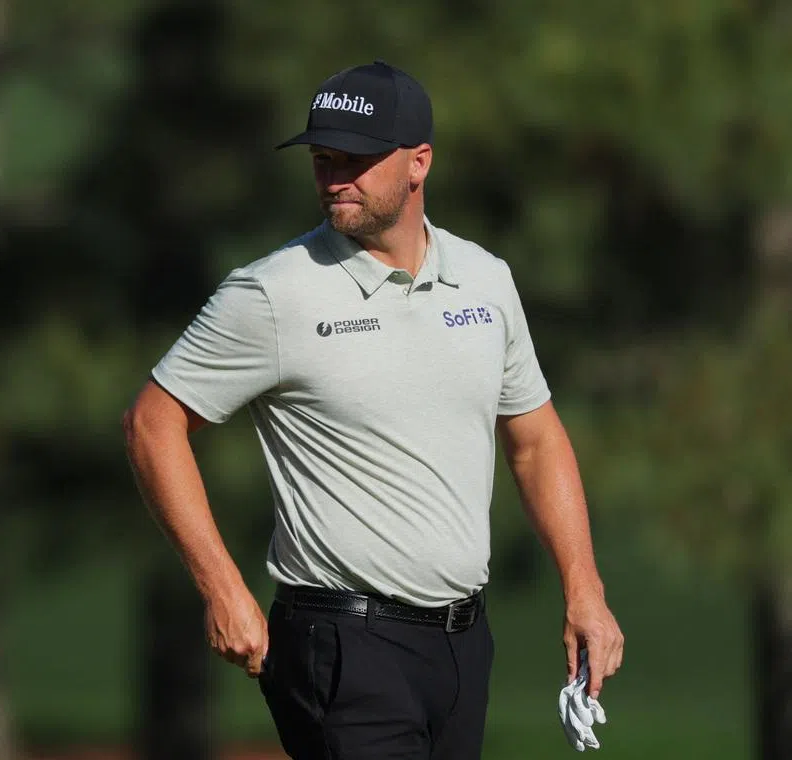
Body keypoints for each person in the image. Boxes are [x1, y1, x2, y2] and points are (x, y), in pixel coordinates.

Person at [123, 59, 624, 759]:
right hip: (342, 646)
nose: (334, 180)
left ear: (418, 163)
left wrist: (585, 590)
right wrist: (222, 586)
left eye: (355, 161)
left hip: (462, 647)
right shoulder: (272, 293)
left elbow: (536, 439)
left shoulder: (485, 279)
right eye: (323, 161)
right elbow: (153, 421)